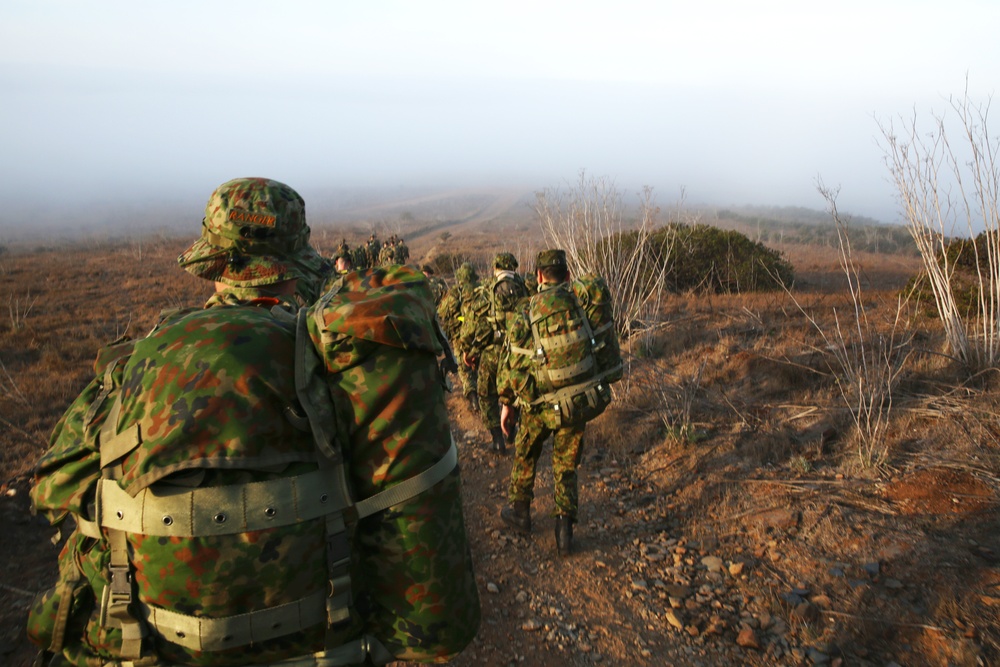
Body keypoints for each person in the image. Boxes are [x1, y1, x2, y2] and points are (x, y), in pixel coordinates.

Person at [27, 177, 480, 666]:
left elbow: (53, 492)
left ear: (214, 265)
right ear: (298, 266)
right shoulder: (341, 367)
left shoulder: (134, 366)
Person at [497, 249, 617, 556]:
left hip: (540, 406)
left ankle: (521, 513)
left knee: (525, 452)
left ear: (538, 277)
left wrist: (507, 404)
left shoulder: (527, 311)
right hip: (577, 401)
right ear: (566, 276)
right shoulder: (579, 303)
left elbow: (512, 364)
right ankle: (565, 532)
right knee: (566, 465)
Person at [460, 252, 528, 455]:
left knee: (487, 395)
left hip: (492, 353)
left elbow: (470, 324)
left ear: (495, 267)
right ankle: (512, 429)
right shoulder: (524, 288)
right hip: (518, 352)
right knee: (516, 390)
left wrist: (467, 349)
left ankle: (497, 440)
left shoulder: (487, 291)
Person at [437, 262, 480, 413]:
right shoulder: (481, 289)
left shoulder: (456, 292)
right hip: (481, 334)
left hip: (460, 335)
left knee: (464, 368)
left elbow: (442, 312)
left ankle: (473, 396)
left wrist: (459, 318)